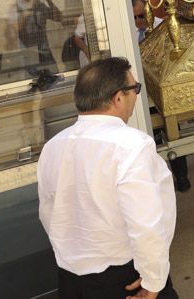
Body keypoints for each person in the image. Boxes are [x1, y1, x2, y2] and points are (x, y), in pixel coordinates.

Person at [38, 57, 178, 299]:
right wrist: (154, 280)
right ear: (118, 97)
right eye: (135, 88)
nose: (136, 95)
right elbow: (146, 224)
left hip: (71, 279)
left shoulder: (52, 147)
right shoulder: (132, 146)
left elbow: (49, 214)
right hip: (124, 278)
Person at [7, 0, 63, 71]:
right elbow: (16, 29)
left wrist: (48, 0)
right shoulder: (15, 8)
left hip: (44, 52)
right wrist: (30, 7)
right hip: (28, 55)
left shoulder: (40, 6)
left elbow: (58, 18)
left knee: (55, 77)